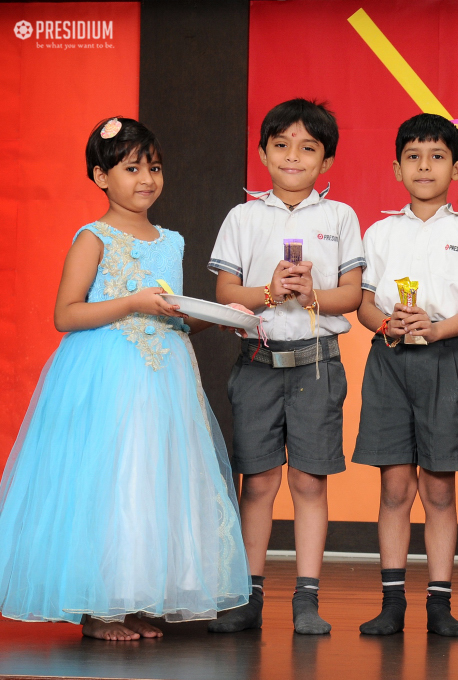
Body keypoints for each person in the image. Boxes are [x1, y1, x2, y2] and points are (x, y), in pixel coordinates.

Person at [0, 117, 249, 640]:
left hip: (164, 375)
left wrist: (232, 311)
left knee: (150, 477)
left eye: (154, 167)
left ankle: (130, 597)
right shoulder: (94, 237)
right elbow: (66, 314)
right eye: (131, 167)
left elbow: (173, 312)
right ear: (100, 176)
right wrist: (133, 302)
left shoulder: (172, 240)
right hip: (109, 371)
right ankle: (95, 610)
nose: (147, 178)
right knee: (108, 478)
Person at [207, 99, 365, 635]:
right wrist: (269, 293)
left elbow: (352, 297)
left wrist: (313, 292)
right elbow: (225, 291)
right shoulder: (243, 216)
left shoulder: (340, 217)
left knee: (310, 482)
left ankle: (307, 598)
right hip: (256, 363)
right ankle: (249, 594)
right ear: (262, 153)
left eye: (308, 148)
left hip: (317, 365)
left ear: (327, 160)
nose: (293, 157)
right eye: (281, 146)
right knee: (257, 480)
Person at [352, 113, 458, 637]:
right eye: (413, 157)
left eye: (437, 157)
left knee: (438, 488)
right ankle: (392, 602)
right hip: (389, 358)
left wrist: (435, 330)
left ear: (457, 168)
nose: (425, 166)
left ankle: (439, 602)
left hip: (443, 358)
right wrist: (388, 324)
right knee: (394, 488)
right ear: (396, 168)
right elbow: (364, 305)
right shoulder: (380, 231)